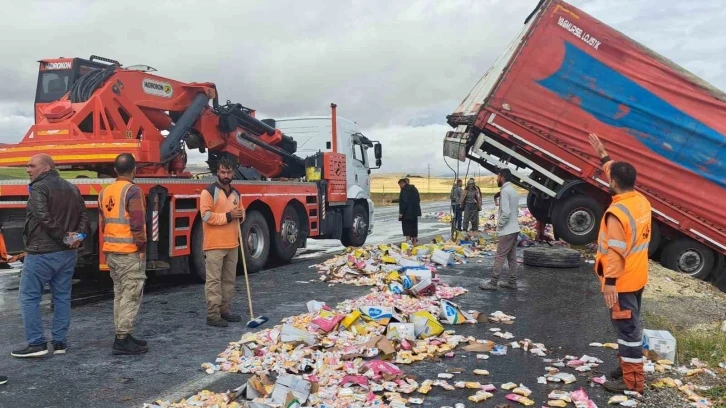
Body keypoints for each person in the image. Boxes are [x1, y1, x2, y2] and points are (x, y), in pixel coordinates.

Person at [589, 133, 651, 395]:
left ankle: (632, 382)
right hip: (637, 278)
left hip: (621, 283)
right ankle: (626, 367)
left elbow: (614, 253)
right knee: (630, 327)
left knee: (627, 330)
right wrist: (603, 154)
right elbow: (615, 174)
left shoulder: (616, 214)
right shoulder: (640, 202)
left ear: (613, 182)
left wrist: (610, 283)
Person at [12, 154, 88, 358]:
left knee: (29, 297)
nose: (28, 170)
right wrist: (77, 237)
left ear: (46, 168)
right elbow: (83, 215)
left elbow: (42, 217)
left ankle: (36, 343)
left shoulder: (38, 188)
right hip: (67, 254)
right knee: (62, 297)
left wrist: (65, 237)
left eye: (32, 166)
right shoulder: (72, 188)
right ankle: (60, 342)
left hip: (42, 253)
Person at [99, 153, 149, 355]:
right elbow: (137, 222)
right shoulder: (133, 191)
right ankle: (122, 339)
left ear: (115, 170)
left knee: (120, 294)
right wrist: (142, 248)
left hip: (111, 251)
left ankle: (123, 334)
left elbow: (104, 222)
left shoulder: (105, 192)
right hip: (128, 252)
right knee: (131, 294)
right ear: (134, 169)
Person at [200, 158, 246, 327]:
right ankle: (212, 315)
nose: (225, 175)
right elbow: (205, 216)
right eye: (222, 172)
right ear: (217, 172)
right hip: (214, 245)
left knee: (228, 280)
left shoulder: (236, 194)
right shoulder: (208, 192)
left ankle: (224, 310)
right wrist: (228, 216)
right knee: (213, 281)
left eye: (228, 172)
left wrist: (241, 215)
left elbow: (241, 214)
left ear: (233, 173)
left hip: (232, 243)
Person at [480, 169, 521, 290]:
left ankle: (493, 283)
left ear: (502, 177)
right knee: (512, 257)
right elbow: (515, 211)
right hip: (514, 228)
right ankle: (512, 281)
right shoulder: (513, 191)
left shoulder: (505, 191)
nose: (497, 179)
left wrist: (500, 226)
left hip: (507, 230)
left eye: (498, 177)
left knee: (500, 256)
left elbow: (506, 213)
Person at [398, 179, 421, 245]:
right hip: (415, 212)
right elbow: (418, 199)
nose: (400, 186)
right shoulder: (414, 189)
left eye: (399, 185)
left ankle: (408, 241)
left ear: (402, 183)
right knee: (414, 226)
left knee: (406, 227)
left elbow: (404, 202)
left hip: (407, 213)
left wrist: (401, 213)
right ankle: (414, 241)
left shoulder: (404, 190)